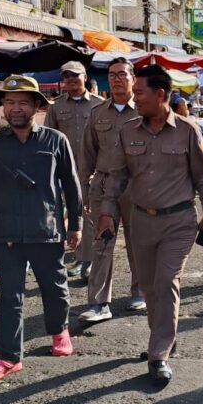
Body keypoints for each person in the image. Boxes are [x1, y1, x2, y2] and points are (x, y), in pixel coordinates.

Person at [97, 65, 203, 385]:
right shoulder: (128, 131)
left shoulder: (188, 130)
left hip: (179, 222)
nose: (134, 98)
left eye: (139, 93)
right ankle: (163, 336)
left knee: (165, 282)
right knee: (149, 287)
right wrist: (106, 212)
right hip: (141, 222)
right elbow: (117, 177)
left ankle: (158, 353)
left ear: (160, 94)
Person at [0, 75, 83, 383]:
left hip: (45, 229)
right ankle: (9, 357)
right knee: (10, 296)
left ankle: (59, 330)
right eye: (9, 102)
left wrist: (75, 224)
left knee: (55, 288)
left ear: (37, 106)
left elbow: (72, 186)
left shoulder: (55, 140)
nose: (15, 108)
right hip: (7, 232)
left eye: (23, 102)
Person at [79, 57, 145, 323]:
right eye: (112, 75)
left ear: (133, 79)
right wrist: (84, 189)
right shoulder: (97, 113)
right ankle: (98, 303)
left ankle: (140, 292)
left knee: (137, 241)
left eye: (122, 74)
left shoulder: (144, 110)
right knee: (101, 243)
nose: (117, 79)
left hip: (136, 186)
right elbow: (87, 154)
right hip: (104, 186)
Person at [45, 61, 102, 282]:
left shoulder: (99, 105)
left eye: (75, 75)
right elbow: (49, 138)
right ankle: (80, 258)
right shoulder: (56, 107)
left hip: (93, 168)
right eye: (66, 76)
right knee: (72, 212)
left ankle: (90, 259)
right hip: (66, 169)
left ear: (85, 77)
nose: (71, 79)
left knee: (90, 212)